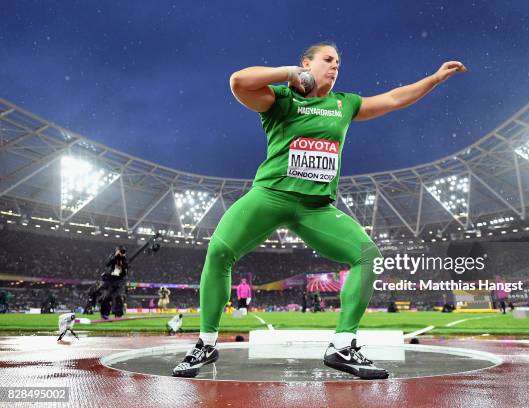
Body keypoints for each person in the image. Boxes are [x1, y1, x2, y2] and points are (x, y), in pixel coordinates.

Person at [173, 42, 466, 379]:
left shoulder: (345, 104)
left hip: (315, 208)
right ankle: (206, 344)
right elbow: (238, 81)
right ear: (306, 64)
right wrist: (289, 75)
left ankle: (342, 346)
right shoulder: (282, 99)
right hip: (271, 196)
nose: (335, 66)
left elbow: (394, 99)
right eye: (327, 60)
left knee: (367, 255)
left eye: (338, 63)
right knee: (219, 251)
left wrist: (435, 78)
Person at [99, 246, 129, 319]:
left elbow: (126, 268)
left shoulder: (124, 259)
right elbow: (107, 264)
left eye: (123, 252)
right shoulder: (112, 257)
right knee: (107, 297)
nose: (122, 253)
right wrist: (115, 257)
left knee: (119, 297)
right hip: (110, 280)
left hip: (119, 281)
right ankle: (104, 314)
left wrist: (123, 259)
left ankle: (118, 314)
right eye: (121, 251)